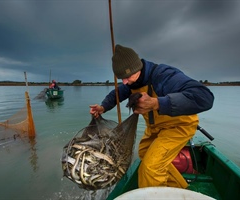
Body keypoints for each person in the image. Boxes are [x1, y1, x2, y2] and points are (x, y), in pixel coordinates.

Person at [89, 44, 214, 189]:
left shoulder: (164, 75)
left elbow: (205, 97)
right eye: (121, 78)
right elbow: (117, 93)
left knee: (151, 168)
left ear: (137, 68)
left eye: (127, 76)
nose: (125, 82)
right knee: (144, 153)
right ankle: (180, 189)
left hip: (178, 126)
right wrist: (103, 107)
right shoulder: (132, 82)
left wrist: (157, 103)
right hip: (155, 128)